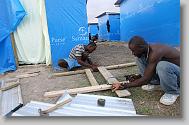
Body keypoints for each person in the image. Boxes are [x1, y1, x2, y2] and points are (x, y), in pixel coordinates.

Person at [112, 36, 180, 105]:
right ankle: (154, 83)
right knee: (140, 58)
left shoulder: (155, 52)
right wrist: (138, 76)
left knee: (162, 65)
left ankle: (172, 92)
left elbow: (146, 79)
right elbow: (150, 70)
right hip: (172, 73)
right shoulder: (147, 50)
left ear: (141, 47)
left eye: (134, 51)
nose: (132, 53)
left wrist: (124, 85)